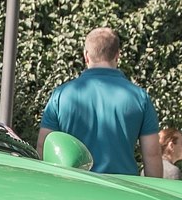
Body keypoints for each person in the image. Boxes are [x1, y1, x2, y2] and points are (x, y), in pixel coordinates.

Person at [37, 28, 161, 176]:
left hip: (74, 184)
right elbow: (152, 154)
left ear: (86, 56)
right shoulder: (139, 97)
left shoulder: (61, 95)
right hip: (122, 186)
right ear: (117, 55)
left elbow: (44, 146)